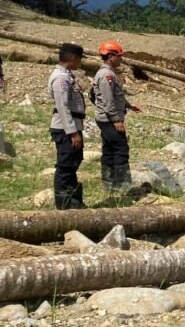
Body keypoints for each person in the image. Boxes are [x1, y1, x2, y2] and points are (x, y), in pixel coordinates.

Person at [92, 41, 141, 193]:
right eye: (119, 56)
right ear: (110, 56)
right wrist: (116, 120)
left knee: (108, 149)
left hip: (106, 118)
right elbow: (108, 100)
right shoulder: (106, 75)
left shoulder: (109, 73)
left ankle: (109, 184)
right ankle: (122, 186)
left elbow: (116, 95)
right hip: (109, 120)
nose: (121, 59)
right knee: (120, 149)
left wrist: (128, 105)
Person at [48, 43, 87, 210]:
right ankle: (64, 205)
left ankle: (74, 202)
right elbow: (63, 107)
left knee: (73, 163)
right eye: (79, 59)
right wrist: (72, 133)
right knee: (65, 165)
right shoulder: (60, 78)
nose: (80, 62)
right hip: (65, 129)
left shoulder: (67, 75)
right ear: (72, 58)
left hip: (73, 126)